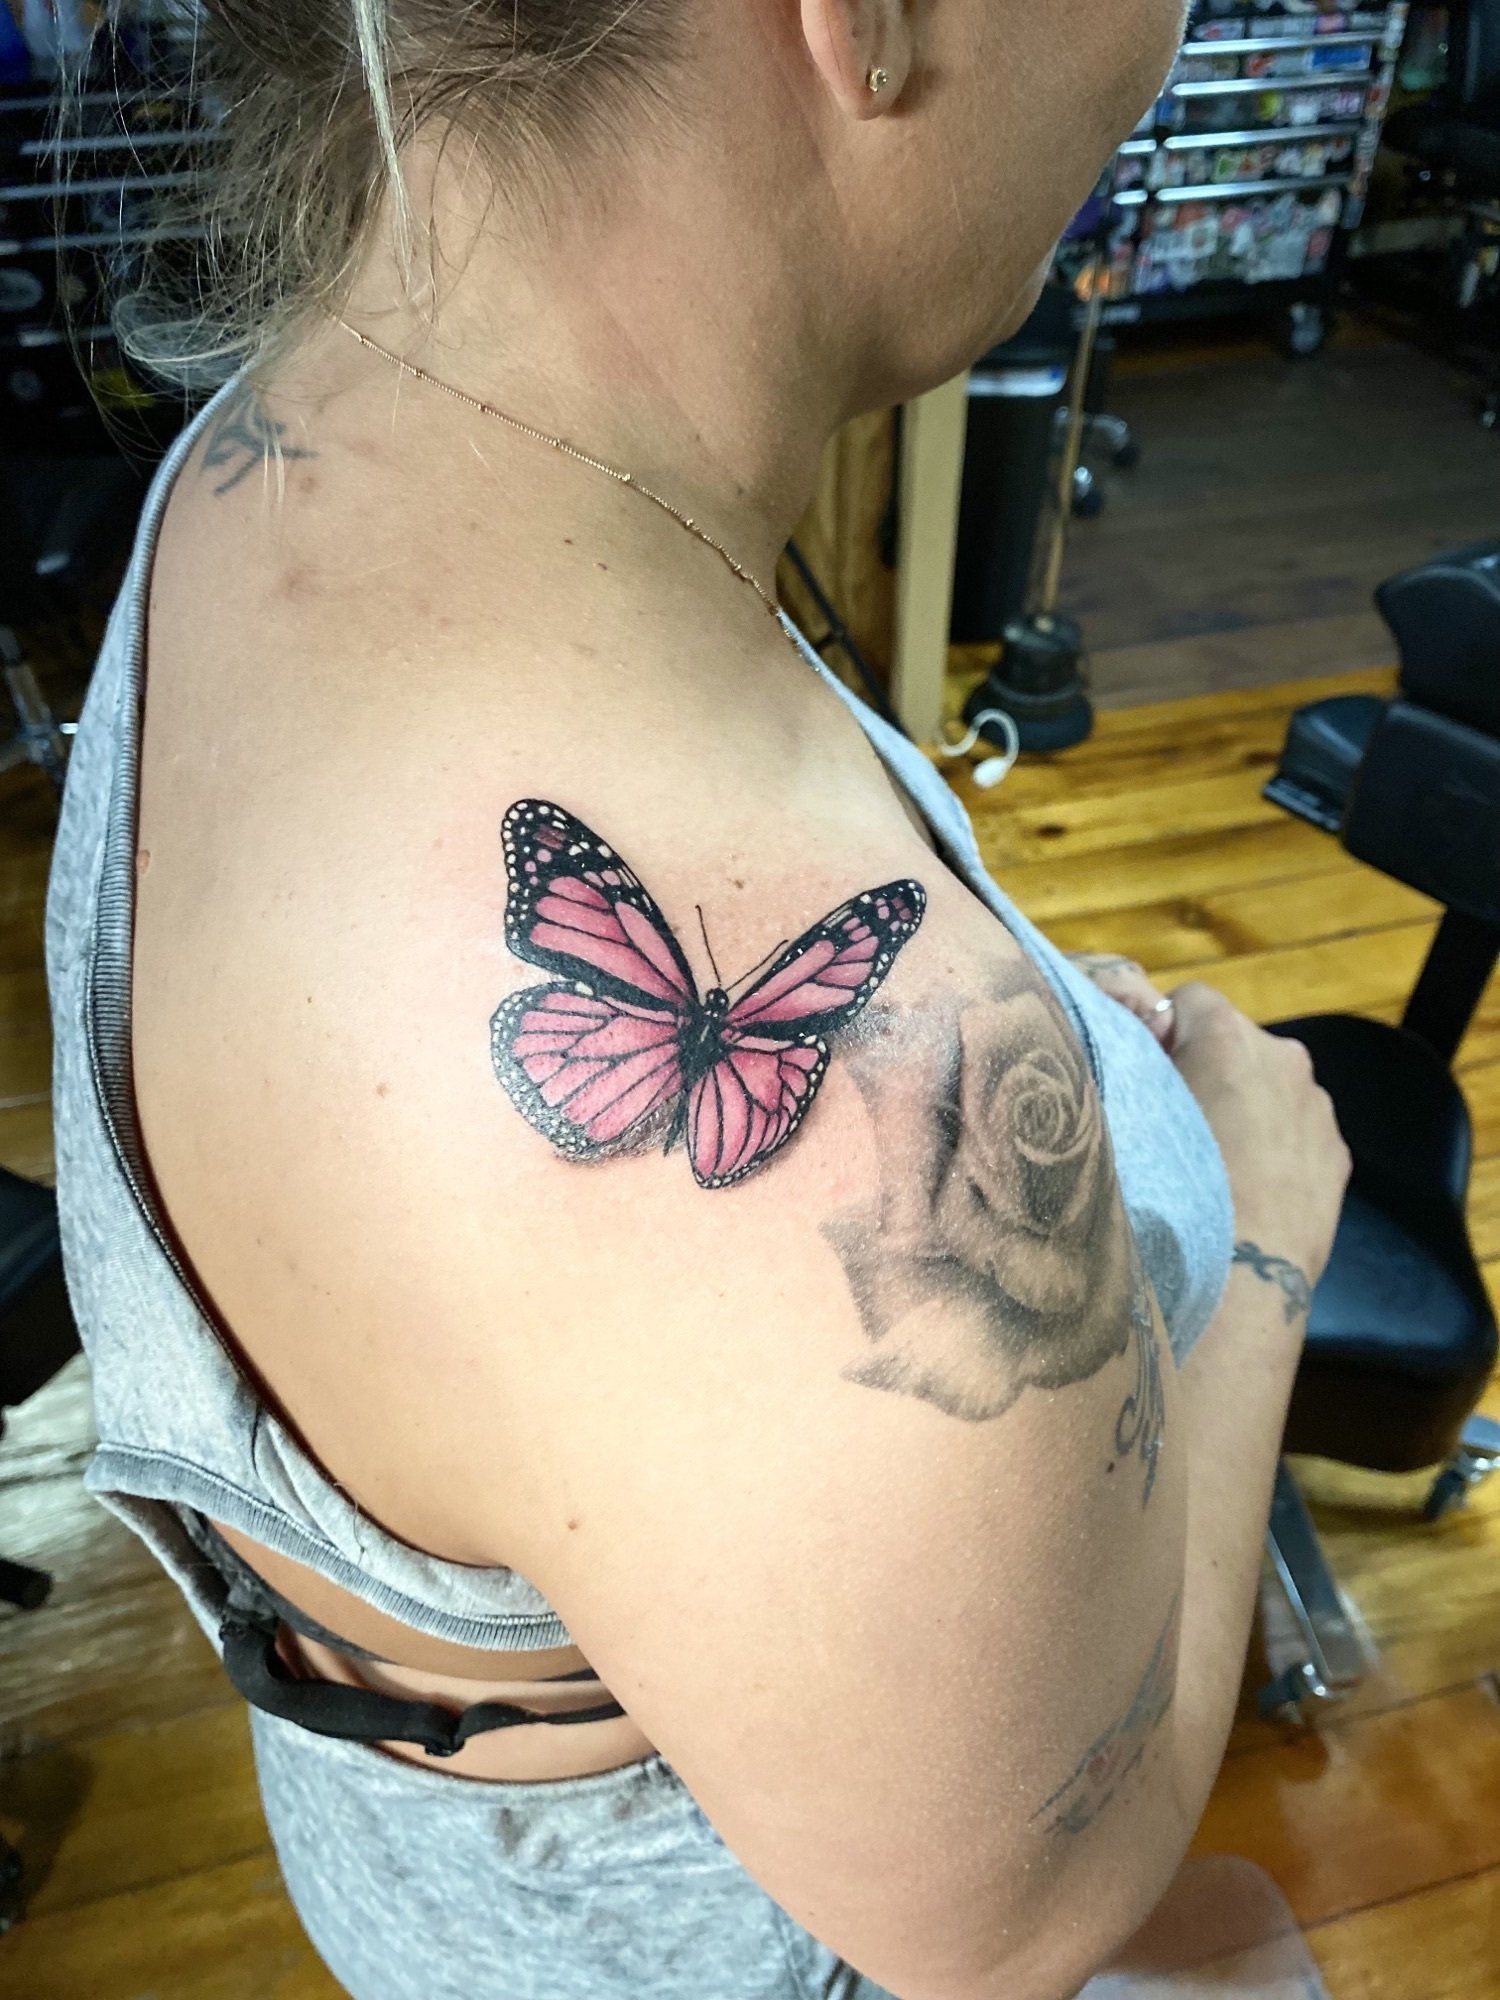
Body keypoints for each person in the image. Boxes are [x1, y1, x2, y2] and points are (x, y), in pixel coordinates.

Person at [45, 4, 1351, 1997]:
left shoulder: (284, 452)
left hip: (445, 1893)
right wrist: (1259, 1232)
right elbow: (1028, 1913)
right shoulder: (776, 1131)